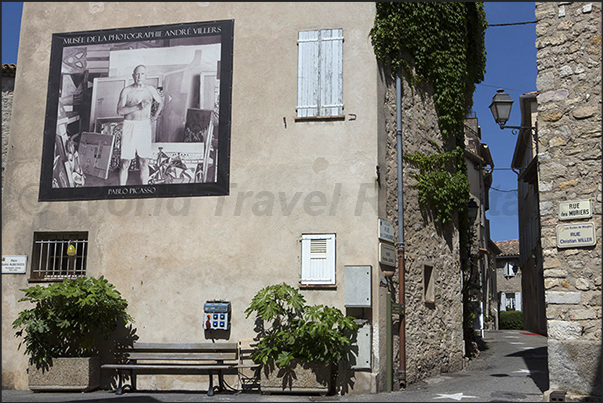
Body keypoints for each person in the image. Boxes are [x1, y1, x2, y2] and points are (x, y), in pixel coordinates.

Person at [116, 64, 163, 186]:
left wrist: (155, 117)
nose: (139, 76)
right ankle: (121, 190)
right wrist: (137, 106)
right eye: (137, 74)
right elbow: (120, 111)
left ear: (146, 76)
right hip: (129, 126)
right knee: (125, 162)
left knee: (144, 161)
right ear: (133, 76)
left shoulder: (150, 90)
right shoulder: (127, 90)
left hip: (144, 126)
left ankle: (144, 189)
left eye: (142, 74)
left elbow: (161, 103)